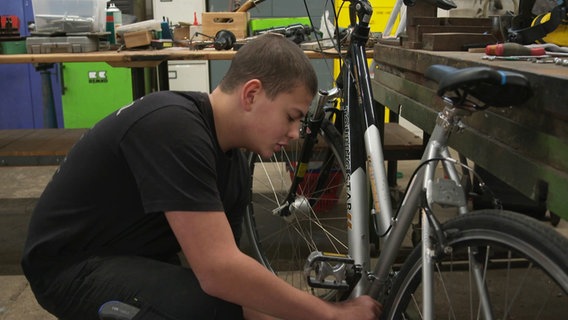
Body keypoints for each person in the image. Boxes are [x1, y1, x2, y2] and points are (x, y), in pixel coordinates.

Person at [21, 33, 382, 320]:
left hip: (127, 258)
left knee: (232, 300)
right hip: (68, 269)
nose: (295, 133)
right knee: (215, 309)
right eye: (292, 116)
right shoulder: (174, 126)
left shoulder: (233, 163)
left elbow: (236, 276)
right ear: (252, 93)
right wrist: (328, 314)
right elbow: (218, 272)